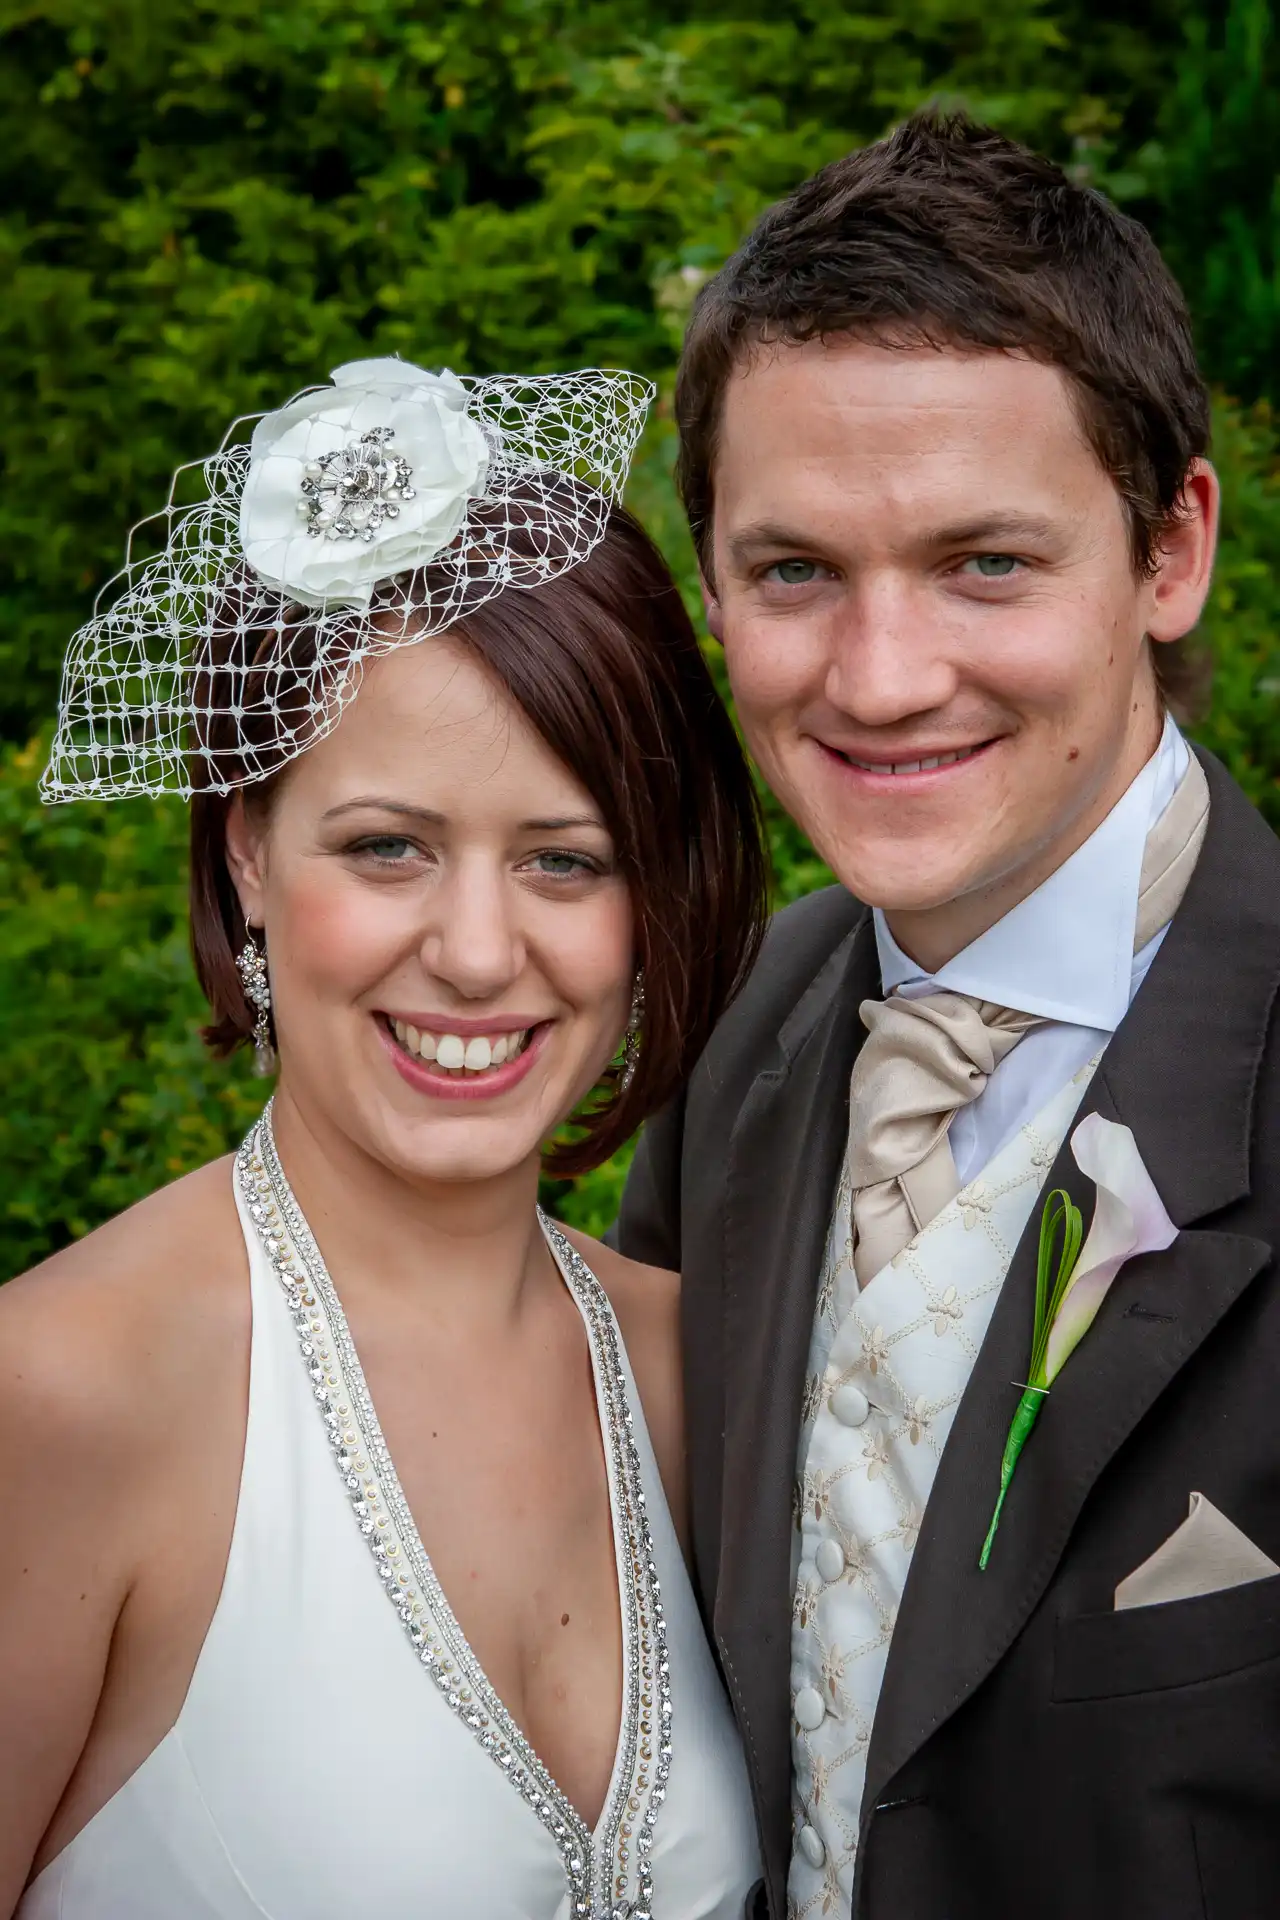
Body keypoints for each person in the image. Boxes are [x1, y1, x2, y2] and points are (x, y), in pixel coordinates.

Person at [614, 113, 1280, 1920]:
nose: (883, 678)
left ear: (1169, 552)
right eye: (794, 571)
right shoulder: (729, 1034)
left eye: (986, 562)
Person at [0, 359, 767, 1918]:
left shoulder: (698, 1374)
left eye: (564, 861)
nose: (478, 953)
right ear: (250, 855)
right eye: (389, 847)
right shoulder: (64, 1397)